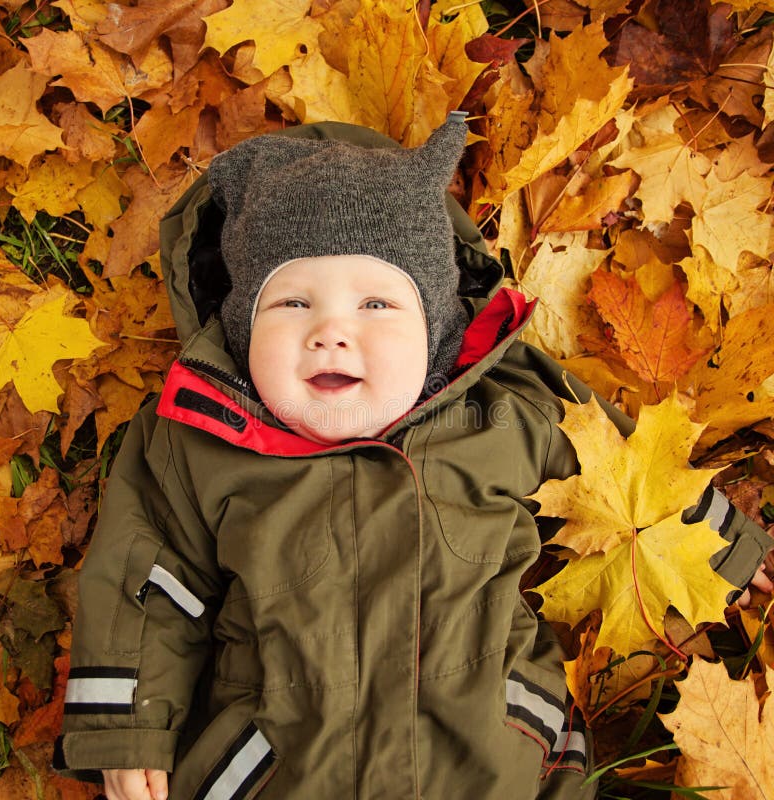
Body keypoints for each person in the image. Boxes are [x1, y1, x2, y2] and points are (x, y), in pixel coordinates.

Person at [55, 113, 773, 800]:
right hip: (276, 767)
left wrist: (720, 550)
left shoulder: (503, 411)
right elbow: (145, 584)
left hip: (499, 751)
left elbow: (624, 471)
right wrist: (129, 728)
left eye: (376, 306)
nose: (332, 333)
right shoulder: (198, 440)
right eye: (292, 305)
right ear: (241, 333)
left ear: (437, 327)